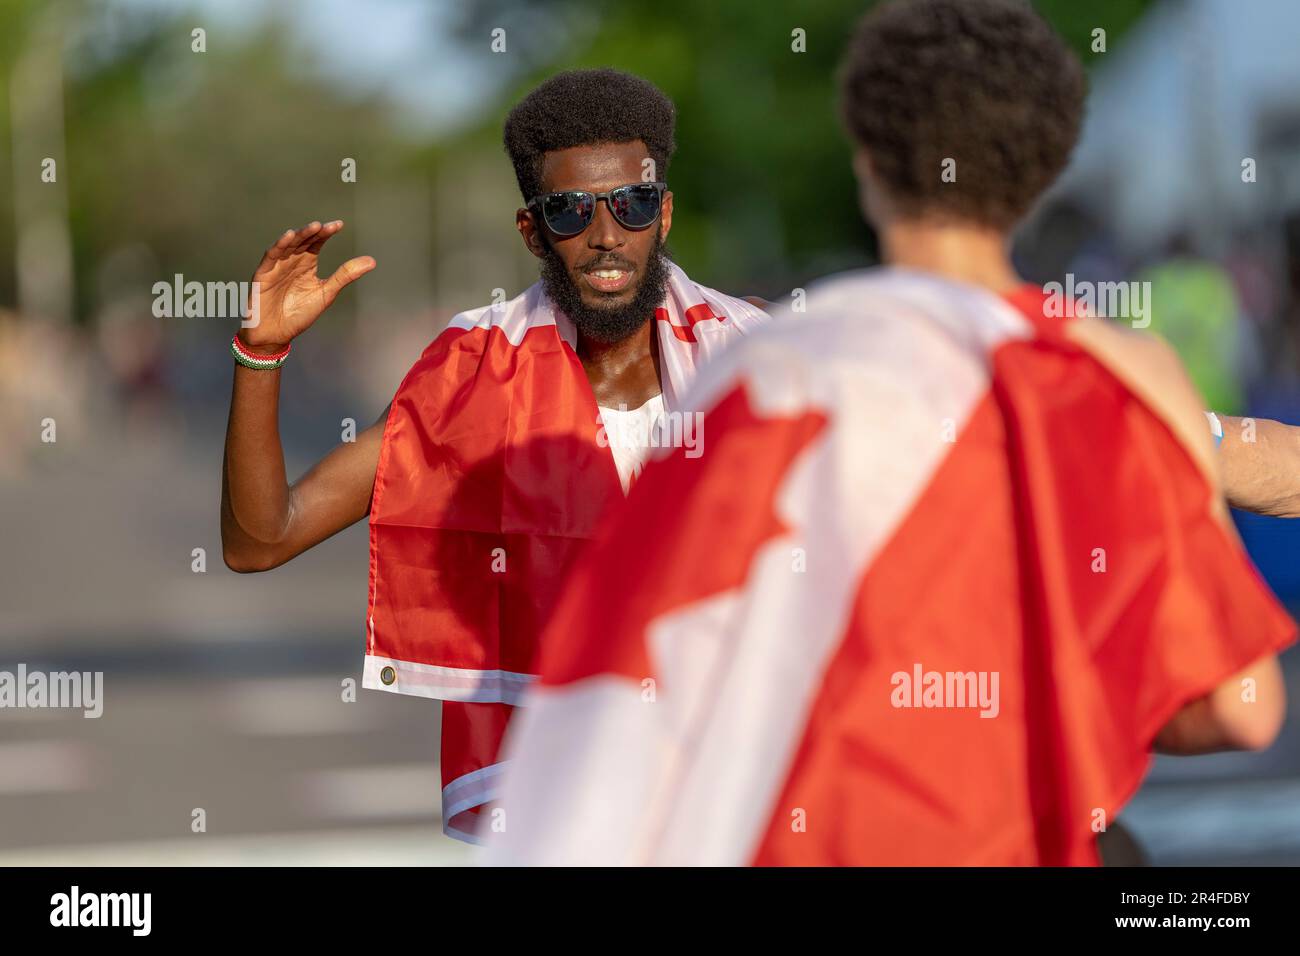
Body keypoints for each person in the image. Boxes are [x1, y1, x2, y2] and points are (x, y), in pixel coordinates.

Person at [484, 0, 1296, 866]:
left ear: (868, 165)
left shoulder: (757, 373)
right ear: (1050, 165)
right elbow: (1238, 705)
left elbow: (642, 666)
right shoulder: (1104, 377)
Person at [220, 69, 766, 842]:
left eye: (632, 204)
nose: (606, 234)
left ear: (664, 213)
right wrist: (260, 352)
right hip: (564, 810)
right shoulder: (469, 380)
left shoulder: (761, 358)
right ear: (532, 231)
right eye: (570, 211)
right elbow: (259, 539)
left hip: (733, 792)